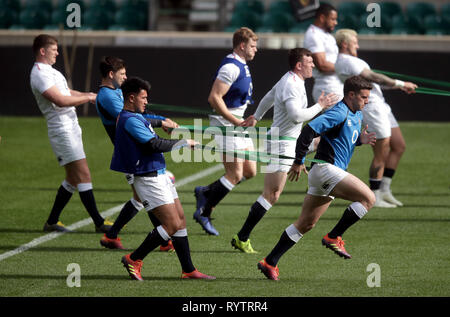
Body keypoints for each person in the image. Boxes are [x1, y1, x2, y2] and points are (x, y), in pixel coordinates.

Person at [257, 76, 377, 281]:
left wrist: (360, 141)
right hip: (325, 170)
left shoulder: (356, 114)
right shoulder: (338, 112)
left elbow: (342, 139)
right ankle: (334, 236)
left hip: (325, 175)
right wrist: (298, 161)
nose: (367, 101)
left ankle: (270, 261)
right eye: (364, 97)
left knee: (305, 224)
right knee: (368, 199)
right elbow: (308, 131)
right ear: (351, 95)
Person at [230, 48, 339, 253]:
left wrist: (257, 116)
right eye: (310, 62)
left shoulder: (290, 79)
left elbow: (269, 96)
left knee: (320, 143)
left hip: (289, 139)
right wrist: (320, 105)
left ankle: (302, 162)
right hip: (283, 142)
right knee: (272, 194)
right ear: (299, 65)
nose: (313, 65)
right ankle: (241, 237)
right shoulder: (291, 84)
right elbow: (296, 116)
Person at [112, 77, 215, 281]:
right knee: (171, 225)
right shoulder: (130, 120)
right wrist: (182, 143)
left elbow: (149, 119)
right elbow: (154, 144)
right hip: (148, 179)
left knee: (180, 221)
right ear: (131, 98)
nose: (146, 101)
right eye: (143, 98)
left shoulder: (134, 115)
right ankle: (134, 258)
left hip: (159, 175)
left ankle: (188, 270)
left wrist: (164, 122)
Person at [30, 34, 112, 233]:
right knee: (83, 173)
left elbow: (67, 92)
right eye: (54, 49)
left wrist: (91, 95)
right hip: (61, 131)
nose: (57, 52)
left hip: (71, 127)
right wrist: (87, 98)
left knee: (73, 178)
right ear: (42, 51)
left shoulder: (50, 71)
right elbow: (60, 100)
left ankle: (52, 221)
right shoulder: (39, 73)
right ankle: (99, 222)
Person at [95, 56, 178, 251]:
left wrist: (161, 119)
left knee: (142, 197)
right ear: (110, 74)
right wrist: (161, 121)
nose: (125, 77)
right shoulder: (106, 96)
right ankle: (115, 236)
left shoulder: (115, 92)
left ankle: (113, 235)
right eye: (122, 74)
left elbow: (139, 116)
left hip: (137, 152)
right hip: (132, 154)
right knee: (144, 197)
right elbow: (132, 119)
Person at [334, 29, 417, 207]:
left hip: (381, 105)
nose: (357, 44)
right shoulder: (346, 61)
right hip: (372, 108)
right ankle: (375, 194)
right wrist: (401, 83)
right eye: (354, 41)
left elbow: (371, 83)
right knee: (381, 151)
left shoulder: (350, 61)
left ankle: (385, 189)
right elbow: (371, 77)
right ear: (345, 44)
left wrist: (398, 87)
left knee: (398, 146)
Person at [193, 27, 258, 236]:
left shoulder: (242, 65)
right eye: (253, 46)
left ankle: (206, 192)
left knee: (250, 171)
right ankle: (204, 211)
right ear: (242, 45)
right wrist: (234, 121)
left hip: (238, 123)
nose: (256, 49)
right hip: (225, 123)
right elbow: (214, 97)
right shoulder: (231, 67)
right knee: (235, 173)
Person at [304, 3, 343, 102]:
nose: (336, 23)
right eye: (333, 19)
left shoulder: (327, 35)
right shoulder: (313, 35)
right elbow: (322, 65)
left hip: (337, 85)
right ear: (322, 18)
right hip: (327, 88)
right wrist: (347, 68)